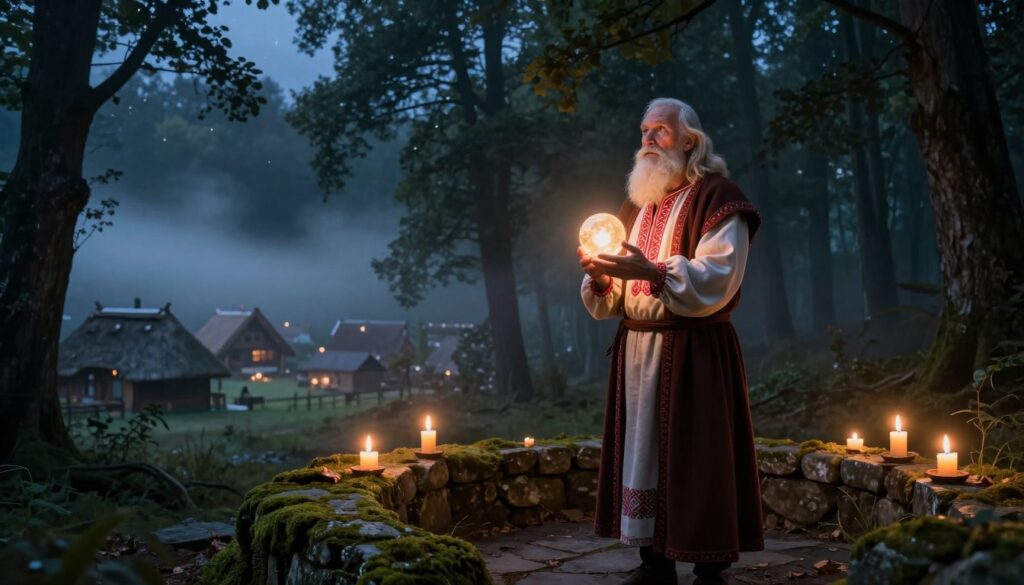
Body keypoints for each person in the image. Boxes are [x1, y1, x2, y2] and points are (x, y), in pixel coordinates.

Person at [578, 98, 764, 585]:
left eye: (659, 130)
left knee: (698, 458)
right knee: (642, 456)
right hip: (637, 350)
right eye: (643, 131)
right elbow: (616, 293)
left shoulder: (720, 198)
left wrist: (652, 271)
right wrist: (602, 280)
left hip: (694, 352)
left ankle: (709, 565)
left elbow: (717, 277)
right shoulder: (639, 205)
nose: (647, 140)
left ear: (690, 141)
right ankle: (653, 563)